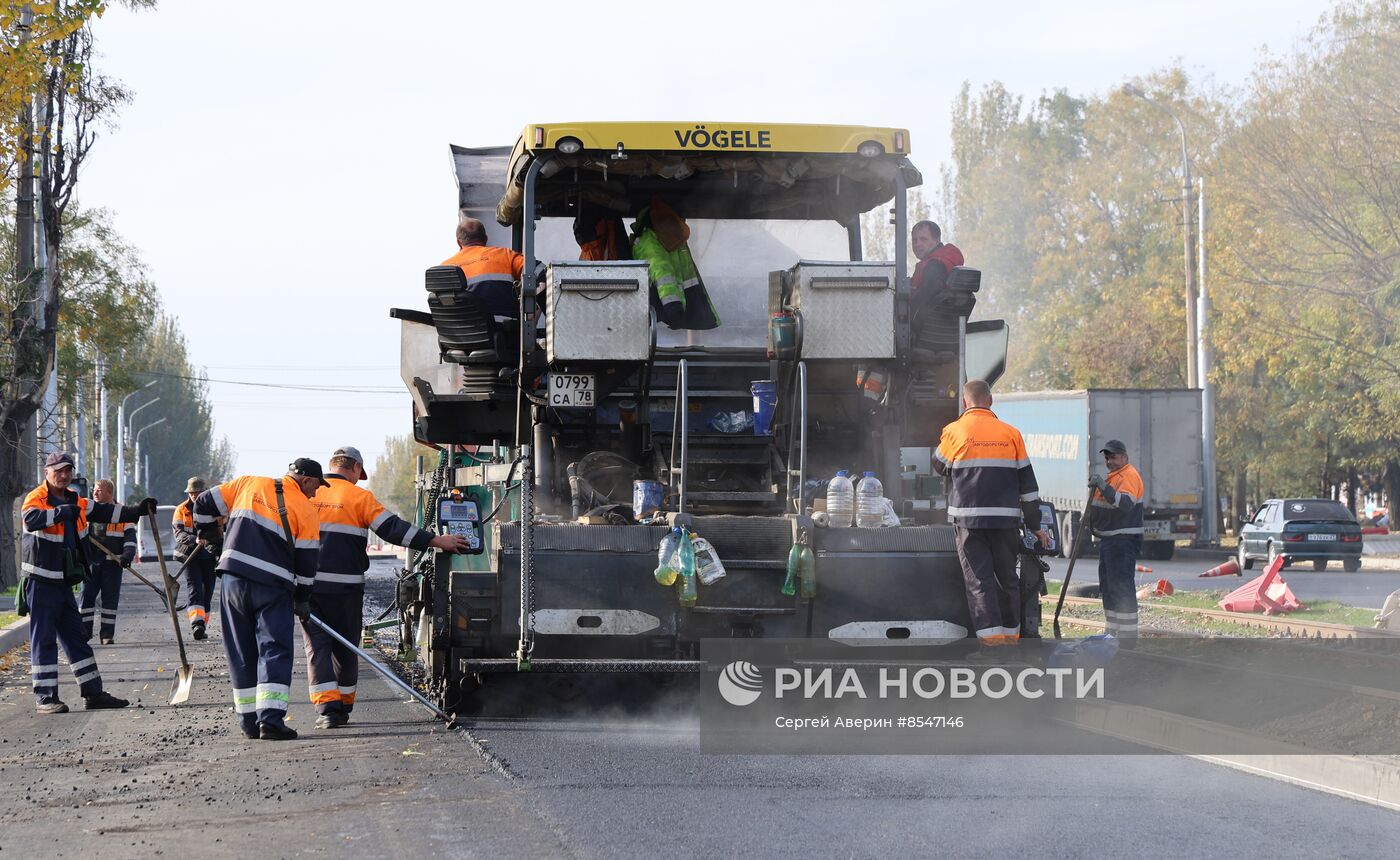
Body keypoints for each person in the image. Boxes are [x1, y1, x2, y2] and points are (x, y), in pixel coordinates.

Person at [302, 446, 471, 728]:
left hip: (308, 588)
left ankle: (328, 712)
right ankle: (342, 707)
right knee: (346, 647)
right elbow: (393, 528)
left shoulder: (306, 494)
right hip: (346, 590)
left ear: (331, 465)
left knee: (317, 648)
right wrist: (436, 540)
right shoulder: (358, 496)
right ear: (355, 468)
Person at [192, 460, 326, 740]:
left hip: (233, 580)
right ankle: (272, 721)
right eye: (316, 486)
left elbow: (203, 503)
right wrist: (302, 599)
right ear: (305, 480)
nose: (315, 494)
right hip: (273, 587)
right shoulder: (307, 510)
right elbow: (306, 565)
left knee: (240, 651)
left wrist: (214, 541)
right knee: (274, 650)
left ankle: (248, 722)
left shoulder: (247, 483)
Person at [20, 452, 152, 713]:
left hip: (64, 583)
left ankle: (93, 693)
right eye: (58, 470)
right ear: (47, 472)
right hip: (41, 581)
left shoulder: (77, 501)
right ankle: (46, 698)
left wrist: (137, 511)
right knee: (44, 640)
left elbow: (106, 511)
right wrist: (59, 513)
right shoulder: (37, 498)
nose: (63, 474)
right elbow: (30, 520)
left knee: (78, 639)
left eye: (67, 470)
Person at [933, 380, 1050, 646]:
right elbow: (1029, 487)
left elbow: (938, 465)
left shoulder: (954, 431)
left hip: (969, 521)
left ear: (965, 402)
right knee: (1008, 579)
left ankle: (992, 646)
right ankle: (1010, 642)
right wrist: (1035, 525)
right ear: (991, 400)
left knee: (980, 582)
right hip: (1006, 522)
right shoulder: (1011, 434)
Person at [631, 197, 720, 330]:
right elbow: (662, 273)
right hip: (669, 307)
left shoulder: (657, 238)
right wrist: (673, 308)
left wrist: (674, 309)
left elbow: (663, 273)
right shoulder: (657, 239)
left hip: (671, 306)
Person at [1088, 440, 1145, 644]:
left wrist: (1103, 486)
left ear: (1124, 457)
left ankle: (1127, 638)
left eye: (1113, 456)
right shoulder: (1113, 478)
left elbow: (1126, 503)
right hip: (1110, 540)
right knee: (1109, 587)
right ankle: (1111, 633)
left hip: (1123, 540)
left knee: (1121, 587)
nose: (1109, 460)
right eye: (1107, 457)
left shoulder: (1128, 476)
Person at [79, 479, 136, 644]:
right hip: (90, 563)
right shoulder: (87, 512)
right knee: (86, 598)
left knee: (109, 600)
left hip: (113, 564)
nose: (95, 493)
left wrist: (127, 556)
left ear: (110, 493)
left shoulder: (122, 513)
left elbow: (130, 540)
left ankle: (107, 635)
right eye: (94, 490)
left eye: (99, 490)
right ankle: (84, 634)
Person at [440, 217, 529, 320]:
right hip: (504, 331)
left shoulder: (444, 268)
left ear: (459, 243)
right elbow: (538, 271)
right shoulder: (506, 255)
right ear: (485, 239)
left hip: (460, 332)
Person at [173, 476, 222, 640]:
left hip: (209, 556)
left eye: (198, 493)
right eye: (192, 493)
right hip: (190, 556)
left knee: (208, 590)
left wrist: (210, 539)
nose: (195, 496)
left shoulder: (214, 509)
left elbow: (220, 529)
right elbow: (178, 533)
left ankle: (202, 625)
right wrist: (194, 539)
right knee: (195, 588)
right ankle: (196, 623)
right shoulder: (181, 510)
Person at [909, 220, 964, 297]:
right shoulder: (944, 261)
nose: (917, 244)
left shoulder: (935, 266)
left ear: (937, 240)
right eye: (914, 240)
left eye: (923, 239)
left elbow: (925, 302)